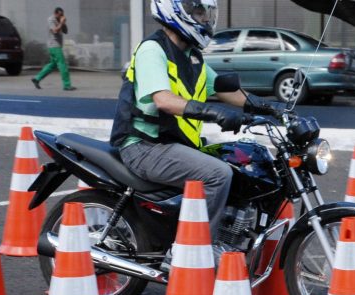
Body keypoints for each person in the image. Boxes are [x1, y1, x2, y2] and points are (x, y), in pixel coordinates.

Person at [110, 0, 283, 267]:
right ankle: (195, 248)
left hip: (173, 144)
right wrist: (214, 113)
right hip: (144, 145)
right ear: (174, 10)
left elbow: (227, 91)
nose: (204, 19)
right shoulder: (152, 50)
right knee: (217, 174)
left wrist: (268, 106)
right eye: (198, 12)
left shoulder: (192, 57)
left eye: (206, 13)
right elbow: (164, 100)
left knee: (239, 165)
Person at [31, 7, 76, 91]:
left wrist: (63, 23)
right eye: (59, 15)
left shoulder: (59, 20)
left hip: (56, 46)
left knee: (52, 65)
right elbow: (55, 31)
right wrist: (61, 22)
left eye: (62, 15)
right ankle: (67, 85)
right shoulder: (51, 20)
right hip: (54, 45)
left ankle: (37, 78)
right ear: (55, 13)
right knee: (62, 65)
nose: (60, 16)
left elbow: (65, 31)